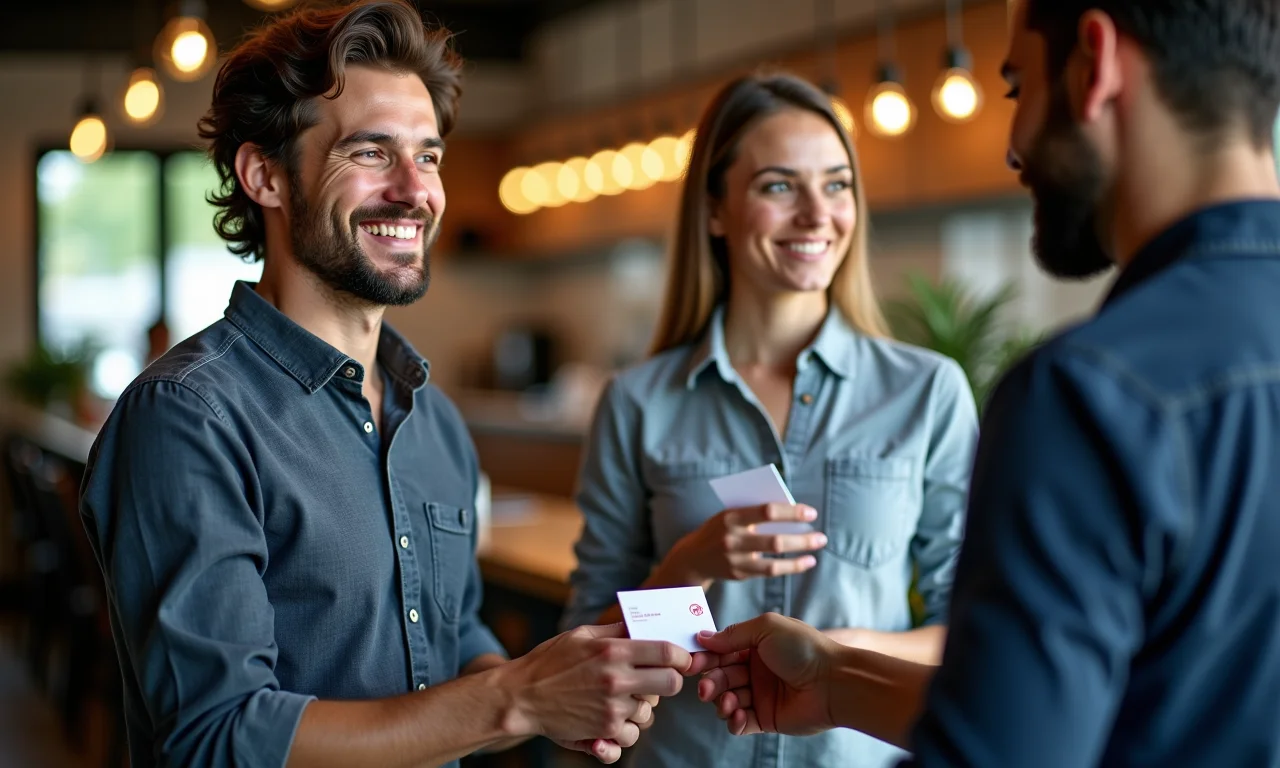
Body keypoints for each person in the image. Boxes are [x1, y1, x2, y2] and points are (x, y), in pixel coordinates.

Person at [78, 3, 701, 767]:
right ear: (265, 175)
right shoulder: (187, 418)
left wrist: (556, 689)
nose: (415, 191)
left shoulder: (433, 421)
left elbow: (454, 637)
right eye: (371, 152)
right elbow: (215, 739)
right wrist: (516, 700)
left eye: (429, 156)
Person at [695, 1, 1280, 766]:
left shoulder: (1087, 394)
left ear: (1094, 64)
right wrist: (838, 683)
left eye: (1017, 87)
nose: (1012, 146)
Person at [562, 72, 978, 768]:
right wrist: (689, 565)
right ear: (715, 211)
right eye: (779, 186)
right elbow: (586, 646)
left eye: (837, 184)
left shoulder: (927, 392)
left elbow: (969, 630)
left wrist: (835, 661)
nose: (817, 215)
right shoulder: (637, 402)